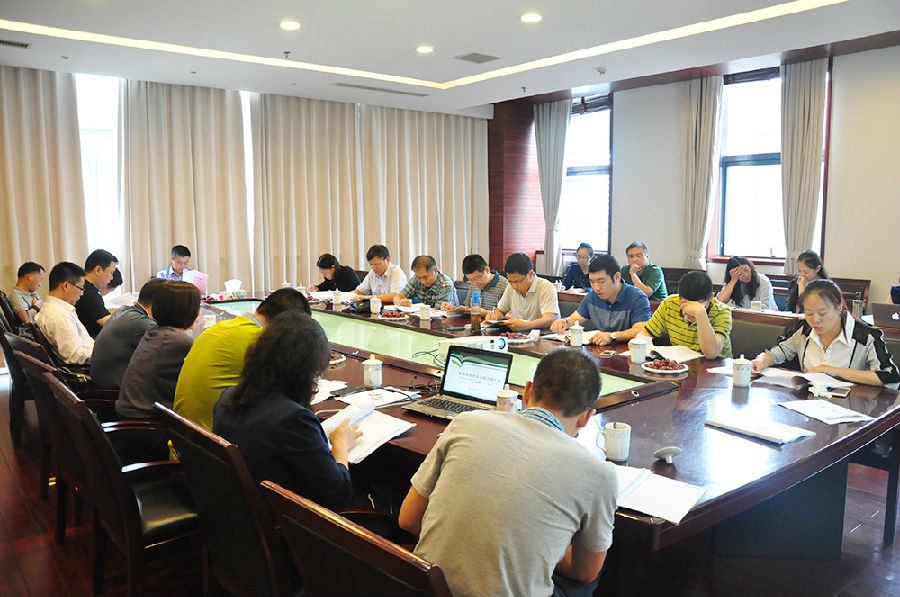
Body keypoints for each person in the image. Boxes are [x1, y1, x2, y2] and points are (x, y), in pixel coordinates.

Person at [398, 349, 617, 597]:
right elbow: (584, 572)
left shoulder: (466, 422)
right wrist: (541, 545)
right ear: (587, 417)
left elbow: (408, 519)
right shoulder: (600, 474)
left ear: (527, 391)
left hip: (426, 588)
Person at [213, 311, 362, 510]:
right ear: (305, 372)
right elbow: (339, 495)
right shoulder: (293, 419)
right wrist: (341, 445)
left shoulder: (228, 397)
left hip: (237, 512)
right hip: (289, 521)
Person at [174, 288, 310, 431]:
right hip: (214, 438)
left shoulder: (219, 327)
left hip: (184, 435)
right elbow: (287, 397)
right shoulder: (261, 340)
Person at [751, 279, 899, 389]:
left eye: (822, 313)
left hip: (851, 407)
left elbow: (891, 379)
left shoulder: (865, 336)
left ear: (839, 308)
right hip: (810, 404)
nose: (815, 320)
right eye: (809, 313)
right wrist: (761, 361)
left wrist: (832, 371)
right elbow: (779, 352)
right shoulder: (804, 331)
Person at [116, 281, 201, 420]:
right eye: (197, 307)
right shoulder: (179, 342)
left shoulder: (154, 332)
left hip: (129, 414)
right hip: (148, 423)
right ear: (185, 310)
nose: (199, 312)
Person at [550, 255, 651, 345]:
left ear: (617, 277)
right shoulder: (592, 296)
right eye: (592, 282)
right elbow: (574, 319)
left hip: (628, 352)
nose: (596, 288)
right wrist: (564, 322)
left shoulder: (637, 298)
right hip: (600, 351)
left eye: (601, 281)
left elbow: (641, 329)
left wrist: (612, 336)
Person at [639, 270, 732, 359]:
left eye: (698, 304)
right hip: (680, 363)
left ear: (711, 297)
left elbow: (711, 354)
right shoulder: (670, 304)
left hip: (715, 366)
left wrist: (701, 315)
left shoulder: (722, 311)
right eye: (685, 304)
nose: (690, 311)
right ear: (679, 296)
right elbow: (646, 333)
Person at [90, 279, 165, 390]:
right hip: (116, 390)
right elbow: (171, 349)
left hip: (103, 382)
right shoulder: (141, 322)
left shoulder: (125, 310)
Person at [35, 262, 94, 365]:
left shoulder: (56, 308)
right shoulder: (58, 315)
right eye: (81, 288)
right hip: (91, 365)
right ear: (66, 286)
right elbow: (74, 356)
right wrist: (105, 352)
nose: (82, 294)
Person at [490, 253, 559, 331]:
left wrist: (525, 325)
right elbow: (501, 310)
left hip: (545, 334)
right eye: (510, 281)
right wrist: (495, 317)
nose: (514, 286)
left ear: (530, 274)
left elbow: (548, 319)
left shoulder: (546, 287)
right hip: (520, 334)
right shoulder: (510, 286)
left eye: (518, 281)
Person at [440, 254, 508, 313]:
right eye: (470, 280)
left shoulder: (504, 285)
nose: (474, 283)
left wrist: (484, 313)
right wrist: (453, 309)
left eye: (476, 278)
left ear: (487, 270)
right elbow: (467, 307)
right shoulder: (473, 284)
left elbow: (507, 315)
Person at [75, 249, 118, 338]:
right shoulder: (89, 294)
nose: (111, 278)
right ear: (98, 270)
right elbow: (111, 324)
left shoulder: (86, 288)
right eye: (111, 273)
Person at [390, 256, 459, 308]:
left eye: (425, 277)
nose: (422, 281)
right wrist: (400, 301)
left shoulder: (445, 284)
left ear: (435, 270)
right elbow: (398, 297)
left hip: (447, 320)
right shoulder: (416, 278)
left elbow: (440, 311)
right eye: (419, 277)